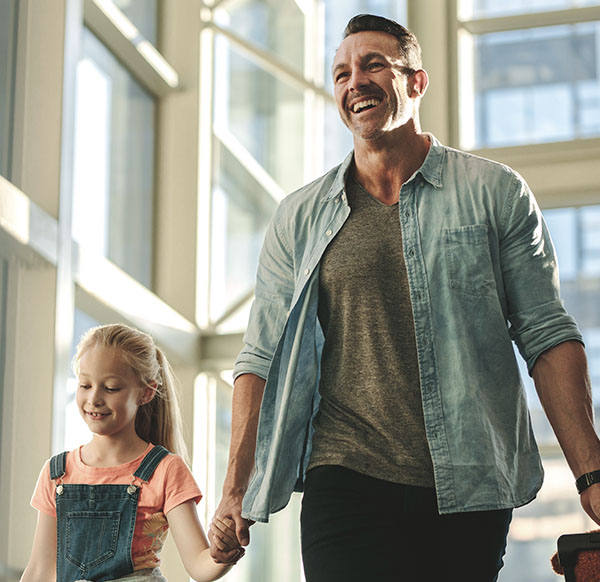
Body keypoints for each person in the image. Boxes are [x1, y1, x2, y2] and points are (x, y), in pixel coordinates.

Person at [208, 13, 600, 582]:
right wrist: (233, 492)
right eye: (341, 73)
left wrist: (590, 476)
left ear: (416, 82)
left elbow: (545, 335)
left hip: (470, 481)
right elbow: (260, 357)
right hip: (345, 474)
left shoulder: (494, 192)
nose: (354, 82)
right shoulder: (299, 217)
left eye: (373, 65)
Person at [21, 323, 243, 582]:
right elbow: (39, 571)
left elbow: (198, 564)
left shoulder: (166, 469)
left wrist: (223, 553)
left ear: (146, 393)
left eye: (111, 388)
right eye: (85, 385)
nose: (94, 398)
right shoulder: (56, 473)